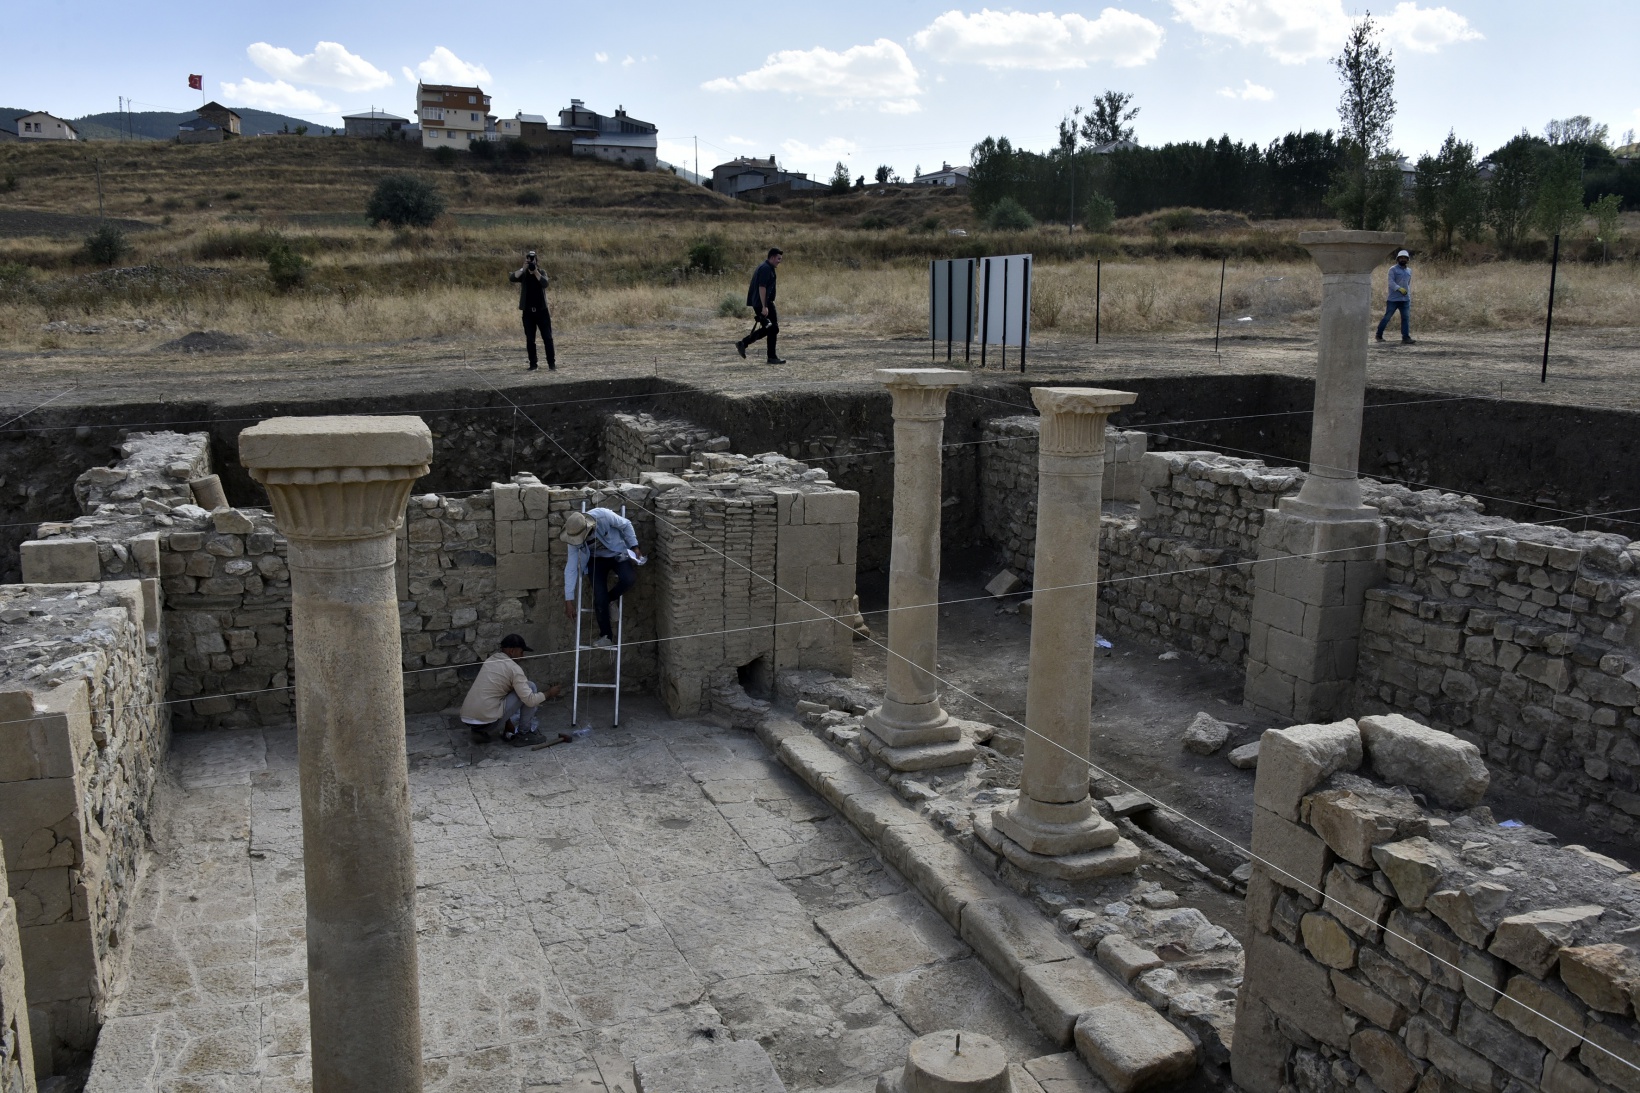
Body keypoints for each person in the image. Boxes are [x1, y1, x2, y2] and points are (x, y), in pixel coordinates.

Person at [562, 508, 645, 648]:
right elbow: (570, 568)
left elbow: (626, 524)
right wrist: (568, 599)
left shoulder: (603, 516)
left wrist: (634, 546)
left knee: (628, 579)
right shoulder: (572, 537)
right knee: (599, 598)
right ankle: (606, 636)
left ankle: (611, 599)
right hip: (595, 560)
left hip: (617, 553)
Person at [460, 634, 563, 746]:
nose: (522, 657)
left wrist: (507, 722)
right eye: (521, 652)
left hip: (467, 719)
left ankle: (478, 730)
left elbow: (502, 693)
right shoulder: (514, 669)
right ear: (512, 651)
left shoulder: (491, 660)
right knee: (530, 687)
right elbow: (530, 700)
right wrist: (549, 693)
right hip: (487, 722)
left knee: (507, 692)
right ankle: (525, 734)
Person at [734, 247, 786, 365]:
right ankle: (771, 357)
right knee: (773, 328)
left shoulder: (767, 267)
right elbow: (761, 287)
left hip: (762, 303)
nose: (779, 261)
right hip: (762, 303)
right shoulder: (766, 268)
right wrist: (764, 306)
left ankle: (744, 344)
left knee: (770, 328)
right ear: (772, 257)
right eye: (778, 259)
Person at [509, 250, 556, 371]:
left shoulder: (541, 272)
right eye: (529, 259)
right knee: (530, 339)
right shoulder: (523, 275)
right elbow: (512, 278)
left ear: (537, 261)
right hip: (528, 312)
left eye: (533, 259)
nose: (531, 262)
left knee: (548, 338)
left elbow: (545, 283)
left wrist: (535, 271)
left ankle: (551, 364)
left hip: (542, 311)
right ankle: (533, 364)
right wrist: (523, 268)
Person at [1375, 249, 1414, 344]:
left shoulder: (1409, 271)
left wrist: (1407, 293)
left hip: (1405, 299)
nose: (1403, 259)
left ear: (1408, 259)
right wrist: (1399, 288)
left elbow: (1408, 283)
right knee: (1387, 317)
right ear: (1397, 259)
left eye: (1405, 258)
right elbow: (1391, 283)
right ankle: (1378, 335)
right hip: (1393, 299)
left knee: (1405, 318)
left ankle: (1406, 338)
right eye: (1401, 258)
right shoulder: (1392, 269)